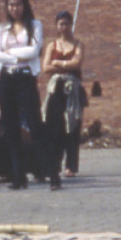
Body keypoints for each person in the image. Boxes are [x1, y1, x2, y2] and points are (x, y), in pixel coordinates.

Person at [0, 0, 56, 190]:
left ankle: (52, 173)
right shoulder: (2, 29)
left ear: (25, 5)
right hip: (5, 78)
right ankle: (18, 176)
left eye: (18, 4)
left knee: (35, 125)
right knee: (10, 128)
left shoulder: (34, 25)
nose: (14, 9)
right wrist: (15, 56)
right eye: (11, 5)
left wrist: (8, 53)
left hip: (25, 78)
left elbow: (33, 51)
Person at [42, 10, 87, 179]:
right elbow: (46, 67)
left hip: (72, 89)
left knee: (73, 126)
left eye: (67, 23)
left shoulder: (78, 44)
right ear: (56, 26)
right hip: (56, 89)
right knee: (54, 127)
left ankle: (71, 165)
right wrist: (65, 64)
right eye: (61, 24)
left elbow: (77, 63)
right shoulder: (52, 46)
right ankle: (54, 164)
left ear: (71, 25)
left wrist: (58, 62)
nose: (64, 27)